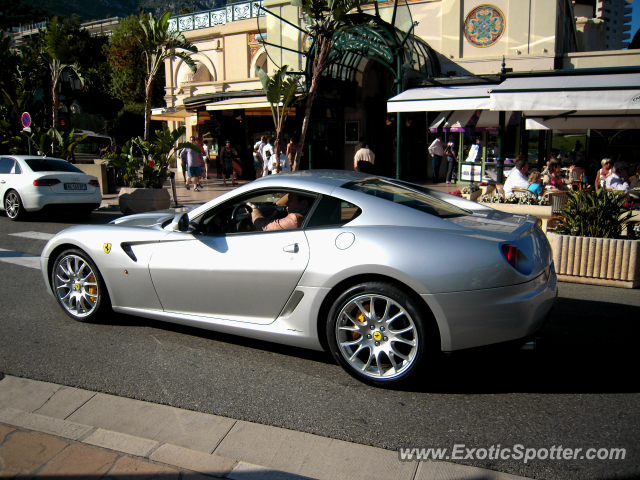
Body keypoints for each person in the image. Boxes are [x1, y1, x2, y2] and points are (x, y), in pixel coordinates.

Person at [246, 193, 311, 231]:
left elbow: (264, 227)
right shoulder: (310, 215)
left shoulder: (296, 219)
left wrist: (255, 210)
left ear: (304, 204)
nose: (286, 204)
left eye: (290, 200)